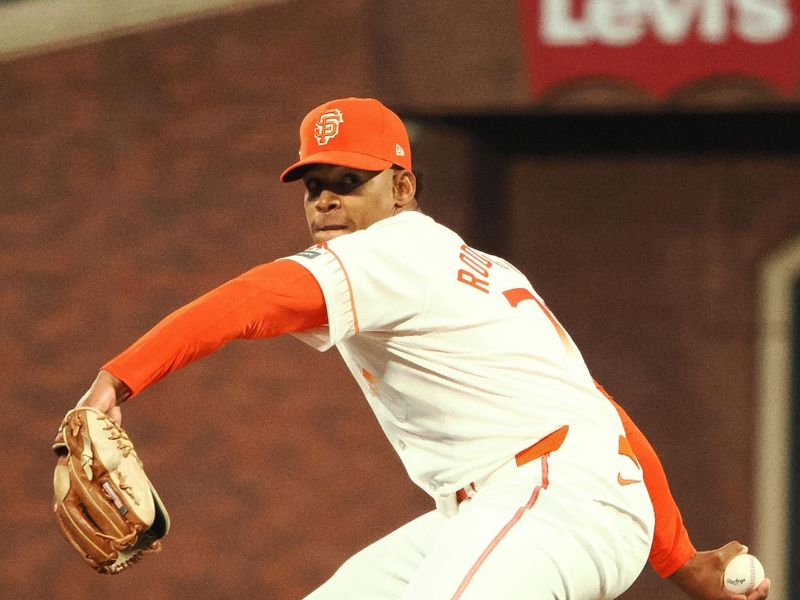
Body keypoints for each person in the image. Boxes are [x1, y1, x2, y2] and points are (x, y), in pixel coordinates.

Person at [65, 97, 771, 600]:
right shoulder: (477, 269)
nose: (327, 202)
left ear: (401, 186)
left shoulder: (394, 248)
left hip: (546, 500)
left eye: (350, 181)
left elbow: (252, 301)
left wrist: (115, 383)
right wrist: (685, 567)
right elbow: (605, 417)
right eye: (315, 187)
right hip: (518, 501)